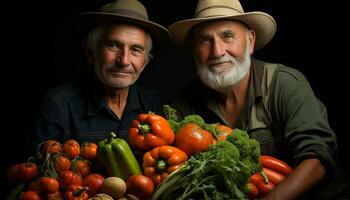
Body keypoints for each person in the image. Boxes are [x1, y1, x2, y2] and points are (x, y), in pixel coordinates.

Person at [168, 0, 350, 199]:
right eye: (205, 40)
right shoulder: (184, 105)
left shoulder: (284, 84)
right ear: (195, 49)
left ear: (251, 41)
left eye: (227, 36)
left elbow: (319, 158)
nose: (217, 51)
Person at [26, 0, 170, 153]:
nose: (124, 60)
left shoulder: (154, 104)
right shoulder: (58, 106)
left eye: (136, 49)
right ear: (90, 53)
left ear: (145, 62)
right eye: (113, 45)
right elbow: (39, 172)